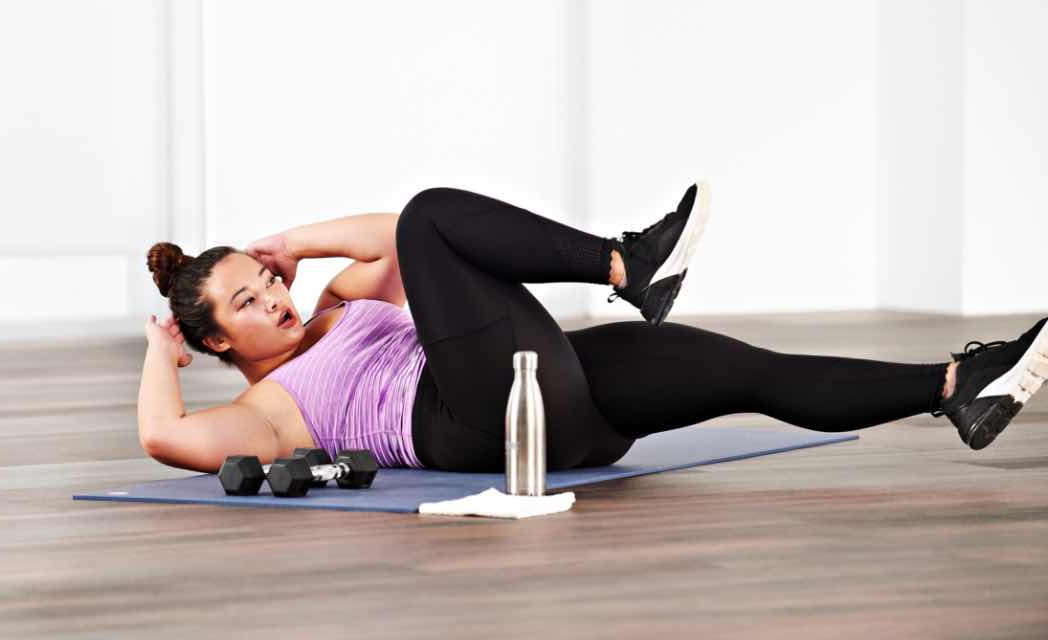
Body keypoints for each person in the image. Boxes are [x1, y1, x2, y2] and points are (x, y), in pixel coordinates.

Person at [139, 185, 1048, 474]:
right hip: (472, 422)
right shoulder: (268, 411)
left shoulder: (340, 305)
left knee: (748, 372)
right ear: (219, 343)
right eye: (249, 304)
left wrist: (296, 242)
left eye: (266, 280)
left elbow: (391, 251)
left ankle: (955, 389)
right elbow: (163, 435)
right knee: (430, 214)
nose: (274, 297)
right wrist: (157, 350)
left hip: (560, 408)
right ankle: (627, 265)